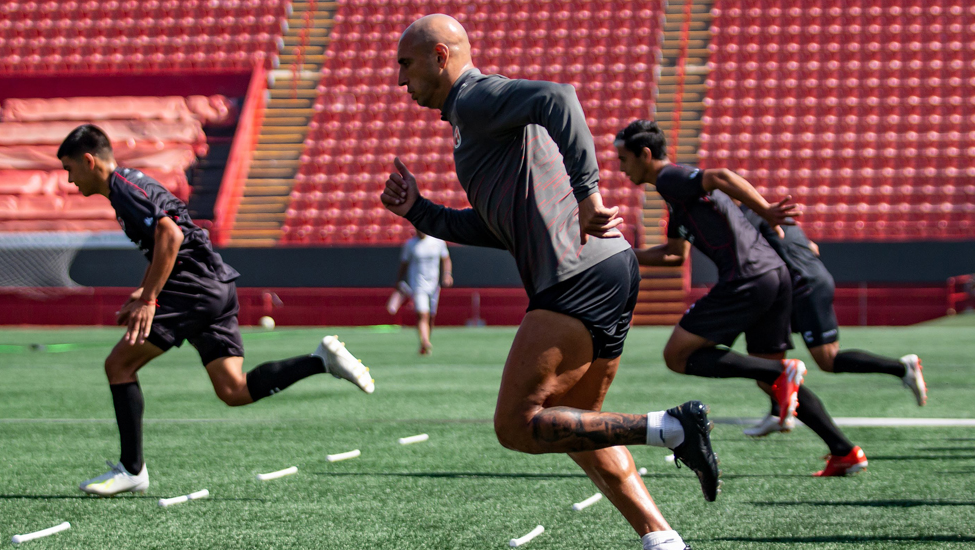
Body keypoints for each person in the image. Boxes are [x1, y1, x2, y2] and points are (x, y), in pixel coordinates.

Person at [380, 15, 717, 550]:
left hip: (576, 273)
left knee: (516, 426)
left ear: (441, 57)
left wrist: (588, 194)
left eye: (406, 64)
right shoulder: (470, 122)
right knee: (579, 426)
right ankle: (663, 540)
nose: (400, 80)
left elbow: (559, 97)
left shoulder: (473, 97)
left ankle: (672, 428)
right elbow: (495, 226)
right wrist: (420, 211)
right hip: (607, 266)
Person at [57, 124, 375, 497]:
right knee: (233, 389)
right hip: (213, 286)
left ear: (89, 161)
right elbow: (169, 239)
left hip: (191, 289)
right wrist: (145, 289)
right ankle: (320, 360)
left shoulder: (124, 187)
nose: (70, 180)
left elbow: (171, 236)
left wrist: (149, 300)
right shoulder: (128, 187)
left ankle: (132, 469)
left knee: (119, 365)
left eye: (69, 169)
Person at [617, 119, 868, 477]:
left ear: (644, 155)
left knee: (676, 355)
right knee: (773, 381)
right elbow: (675, 255)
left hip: (747, 277)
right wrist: (623, 252)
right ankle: (844, 451)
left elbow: (719, 176)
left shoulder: (671, 178)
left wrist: (765, 208)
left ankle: (784, 371)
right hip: (773, 276)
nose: (620, 168)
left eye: (623, 159)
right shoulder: (674, 194)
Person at [738, 203, 927, 436]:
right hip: (793, 285)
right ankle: (778, 413)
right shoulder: (771, 213)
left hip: (804, 286)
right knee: (768, 360)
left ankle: (901, 368)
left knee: (828, 360)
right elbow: (812, 248)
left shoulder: (749, 217)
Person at [389, 229, 453, 355]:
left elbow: (446, 259)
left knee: (431, 317)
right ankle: (425, 341)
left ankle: (425, 341)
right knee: (422, 314)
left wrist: (447, 274)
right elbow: (404, 264)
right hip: (418, 285)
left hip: (434, 286)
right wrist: (398, 280)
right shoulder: (410, 244)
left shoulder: (438, 242)